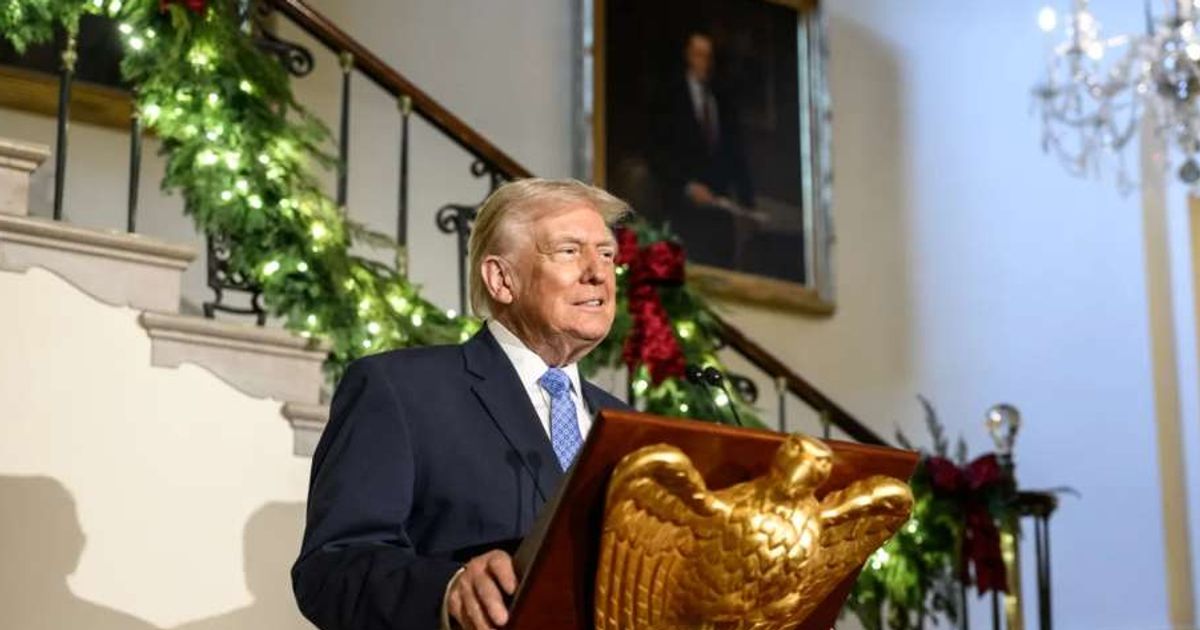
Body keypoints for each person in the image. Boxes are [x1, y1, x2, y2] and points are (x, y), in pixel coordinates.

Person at [292, 179, 633, 630]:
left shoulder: (627, 424)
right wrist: (448, 589)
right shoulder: (400, 389)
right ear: (501, 279)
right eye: (569, 251)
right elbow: (332, 569)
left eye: (606, 254)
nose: (598, 272)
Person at [651, 31, 760, 269]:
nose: (704, 63)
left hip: (718, 206)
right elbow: (659, 150)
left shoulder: (720, 101)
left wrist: (748, 203)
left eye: (708, 57)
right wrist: (688, 186)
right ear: (687, 57)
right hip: (680, 203)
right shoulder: (670, 98)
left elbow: (735, 153)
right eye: (698, 55)